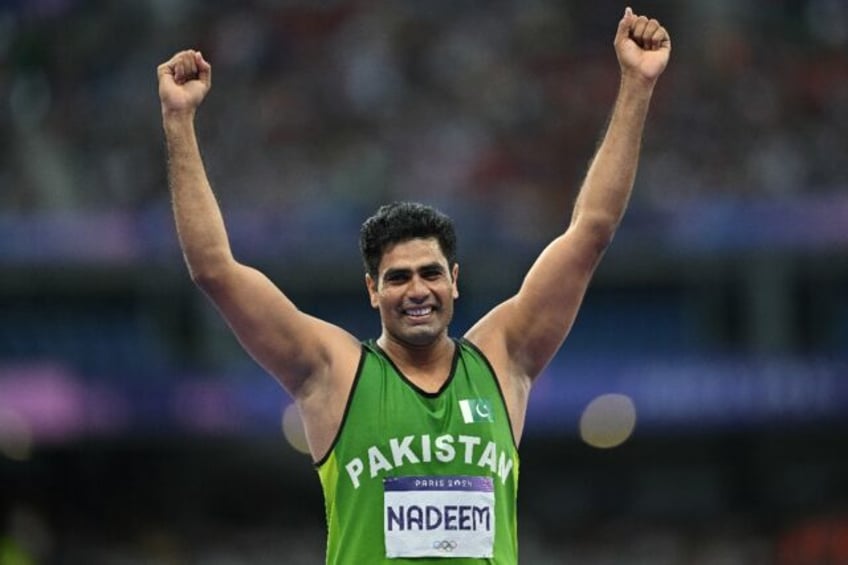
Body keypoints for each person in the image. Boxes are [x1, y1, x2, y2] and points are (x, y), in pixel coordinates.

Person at [157, 6, 670, 564]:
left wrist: (636, 86)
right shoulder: (334, 372)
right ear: (373, 290)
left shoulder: (503, 358)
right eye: (397, 278)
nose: (416, 290)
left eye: (430, 273)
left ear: (454, 281)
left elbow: (590, 231)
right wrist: (179, 121)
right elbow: (213, 268)